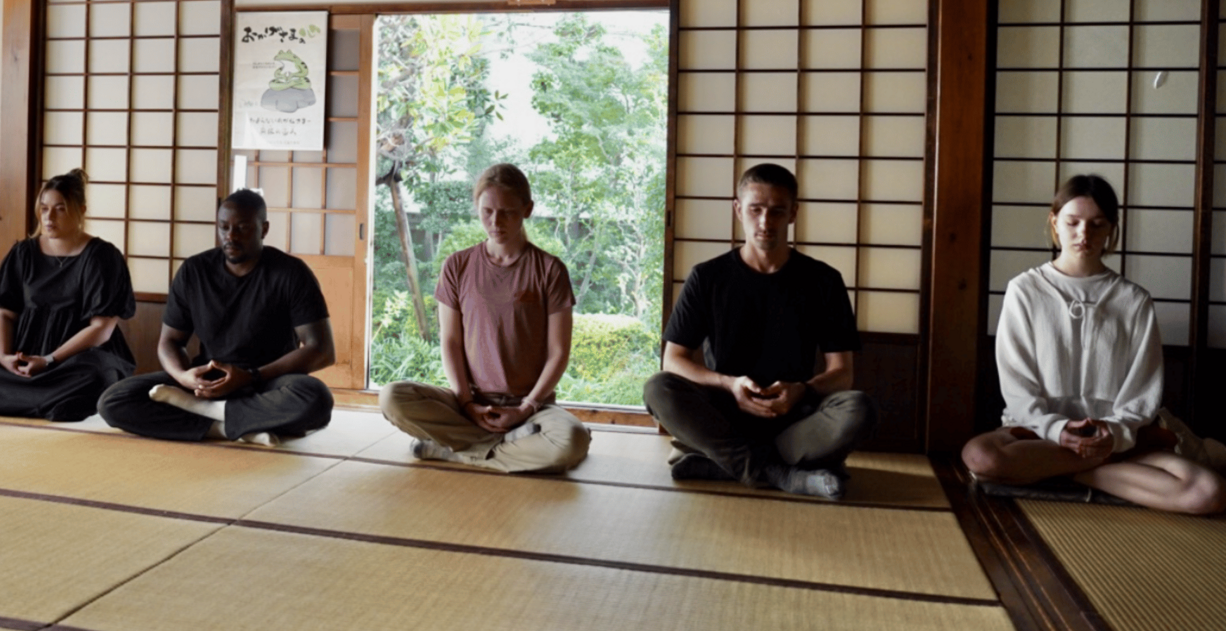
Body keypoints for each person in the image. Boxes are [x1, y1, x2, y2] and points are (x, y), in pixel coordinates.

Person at [962, 175, 1225, 514]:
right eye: (1072, 223)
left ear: (1111, 230)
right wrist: (1057, 430)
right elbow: (1018, 389)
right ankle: (1082, 469)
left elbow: (1141, 395)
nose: (1083, 235)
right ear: (1055, 223)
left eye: (1096, 225)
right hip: (1038, 435)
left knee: (1209, 492)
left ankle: (1058, 473)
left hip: (1118, 440)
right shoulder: (1024, 291)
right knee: (979, 455)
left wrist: (1112, 434)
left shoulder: (1134, 300)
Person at [642, 162, 875, 500]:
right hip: (723, 416)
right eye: (755, 210)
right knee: (658, 388)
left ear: (793, 213)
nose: (765, 222)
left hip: (793, 419)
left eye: (777, 211)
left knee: (859, 408)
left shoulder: (823, 281)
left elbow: (842, 373)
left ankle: (724, 465)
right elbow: (673, 360)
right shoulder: (707, 278)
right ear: (738, 210)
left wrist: (802, 391)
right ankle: (779, 473)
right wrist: (729, 384)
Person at [380, 164, 591, 474]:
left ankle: (457, 451)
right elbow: (450, 342)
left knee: (571, 440)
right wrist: (466, 403)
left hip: (532, 408)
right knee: (392, 398)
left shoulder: (550, 270)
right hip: (469, 404)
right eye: (487, 211)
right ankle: (509, 446)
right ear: (476, 208)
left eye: (507, 212)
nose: (496, 222)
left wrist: (526, 408)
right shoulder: (457, 265)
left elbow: (559, 353)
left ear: (527, 210)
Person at [98, 189, 334, 445]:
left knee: (315, 398)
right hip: (208, 381)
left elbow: (321, 349)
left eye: (242, 228)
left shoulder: (290, 273)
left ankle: (212, 415)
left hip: (267, 381)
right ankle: (227, 427)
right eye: (224, 227)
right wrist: (183, 377)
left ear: (263, 229)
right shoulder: (194, 271)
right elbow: (170, 341)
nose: (230, 236)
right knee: (113, 401)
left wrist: (252, 376)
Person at [0, 170, 135, 420]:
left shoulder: (102, 256)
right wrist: (4, 357)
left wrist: (48, 360)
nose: (49, 217)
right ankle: (40, 400)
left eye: (60, 209)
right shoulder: (24, 252)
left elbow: (101, 329)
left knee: (97, 376)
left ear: (81, 210)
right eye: (44, 208)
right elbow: (4, 313)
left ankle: (5, 397)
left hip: (73, 360)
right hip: (23, 350)